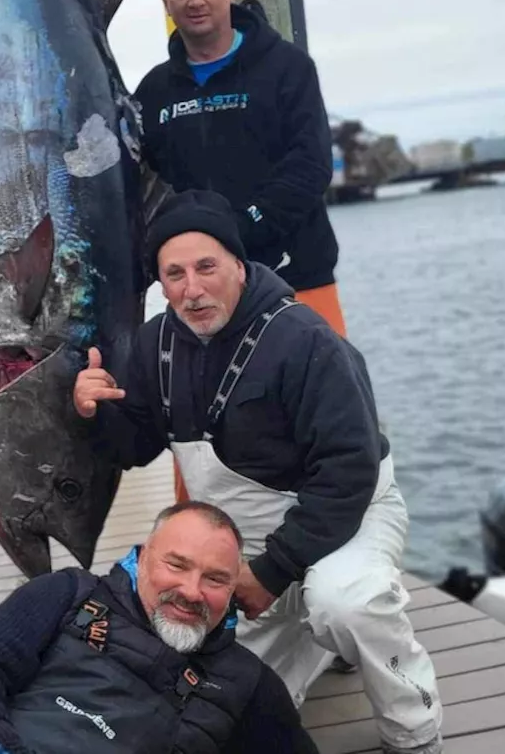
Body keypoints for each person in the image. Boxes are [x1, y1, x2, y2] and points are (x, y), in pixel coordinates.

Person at [73, 190, 442, 754]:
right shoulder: (155, 345)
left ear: (240, 267)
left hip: (347, 517)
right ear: (160, 285)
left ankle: (414, 732)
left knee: (347, 600)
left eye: (206, 267)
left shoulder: (308, 341)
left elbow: (348, 473)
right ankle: (317, 640)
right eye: (174, 274)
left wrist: (273, 571)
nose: (192, 289)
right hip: (242, 546)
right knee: (212, 703)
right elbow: (137, 446)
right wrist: (95, 414)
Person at [0, 501, 319, 754]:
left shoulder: (250, 684)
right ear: (143, 558)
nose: (191, 591)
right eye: (176, 565)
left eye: (215, 579)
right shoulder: (66, 592)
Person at [133, 0, 347, 337]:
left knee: (321, 394)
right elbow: (139, 189)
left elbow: (310, 166)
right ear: (166, 4)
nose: (195, 0)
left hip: (295, 276)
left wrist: (240, 227)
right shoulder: (152, 91)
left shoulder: (288, 67)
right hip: (201, 293)